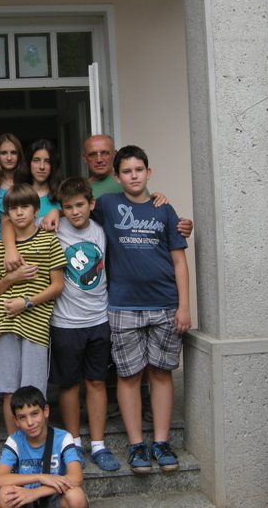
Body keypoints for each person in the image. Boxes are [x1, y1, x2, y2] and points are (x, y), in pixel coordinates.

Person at [93, 145, 190, 474]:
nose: (133, 176)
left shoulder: (165, 209)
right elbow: (73, 209)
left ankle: (161, 442)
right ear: (117, 177)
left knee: (161, 373)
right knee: (129, 375)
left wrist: (184, 306)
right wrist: (52, 216)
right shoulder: (107, 204)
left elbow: (179, 262)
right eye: (127, 171)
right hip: (123, 305)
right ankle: (136, 444)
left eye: (139, 170)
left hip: (164, 305)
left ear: (148, 173)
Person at [49, 177, 119, 472]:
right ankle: (74, 443)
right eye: (68, 207)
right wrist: (52, 213)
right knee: (69, 384)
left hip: (98, 319)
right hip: (65, 322)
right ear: (61, 209)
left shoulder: (101, 230)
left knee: (97, 381)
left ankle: (99, 444)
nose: (75, 211)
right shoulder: (54, 229)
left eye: (80, 205)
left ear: (91, 204)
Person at [0, 183, 67, 434]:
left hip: (36, 328)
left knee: (34, 393)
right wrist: (12, 278)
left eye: (24, 207)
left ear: (36, 210)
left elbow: (57, 286)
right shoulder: (0, 247)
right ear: (7, 214)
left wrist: (27, 302)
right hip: (7, 326)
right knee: (9, 391)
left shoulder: (49, 241)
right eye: (13, 208)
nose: (19, 212)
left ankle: (36, 446)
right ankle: (14, 445)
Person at [0, 386, 87, 508]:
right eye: (22, 417)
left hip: (54, 494)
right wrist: (40, 477)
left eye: (34, 414)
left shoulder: (63, 437)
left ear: (45, 411)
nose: (30, 422)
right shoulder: (14, 441)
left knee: (76, 496)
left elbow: (76, 477)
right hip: (24, 495)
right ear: (16, 421)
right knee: (5, 495)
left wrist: (35, 492)